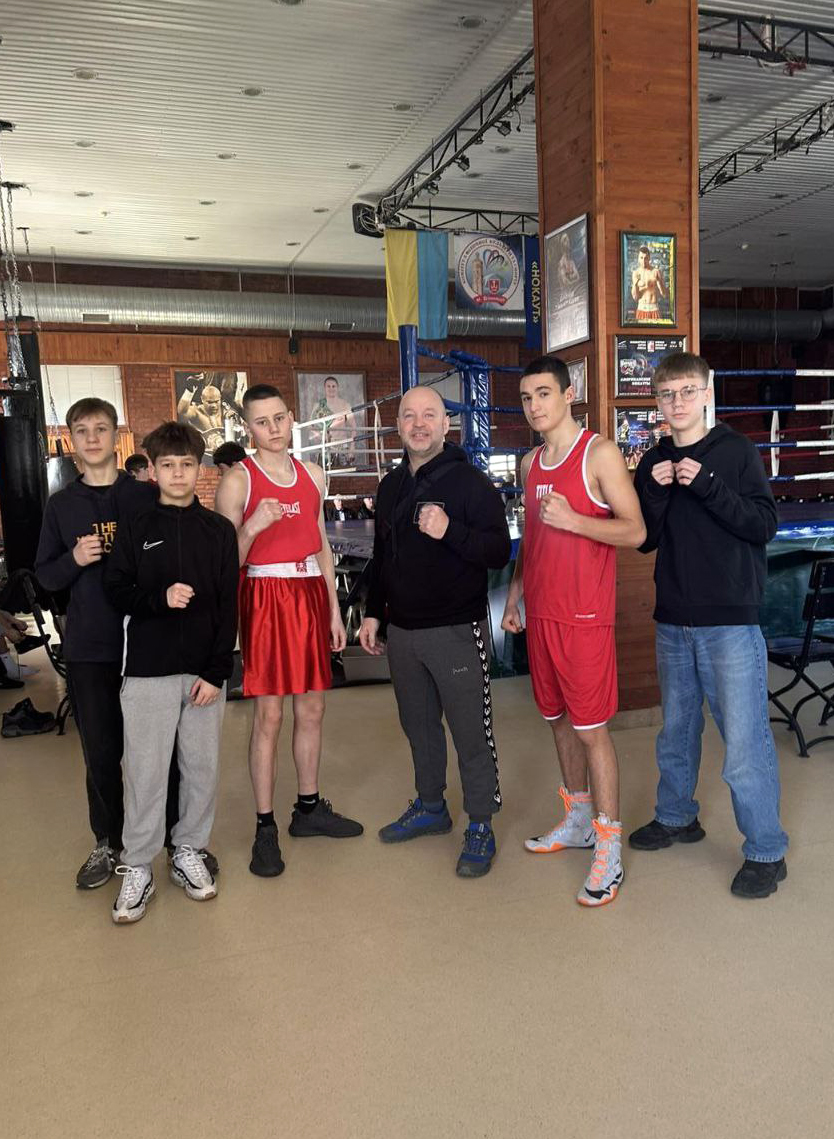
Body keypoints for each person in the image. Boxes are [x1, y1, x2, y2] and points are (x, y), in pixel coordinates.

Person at [628, 351, 789, 899]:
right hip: (673, 618)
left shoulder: (735, 451)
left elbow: (763, 525)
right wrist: (654, 489)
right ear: (657, 401)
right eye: (667, 393)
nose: (677, 402)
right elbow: (646, 539)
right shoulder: (652, 459)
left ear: (705, 393)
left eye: (686, 391)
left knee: (743, 741)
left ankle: (766, 850)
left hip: (729, 622)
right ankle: (677, 816)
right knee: (676, 730)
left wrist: (708, 486)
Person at [501, 357, 646, 907]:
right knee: (558, 720)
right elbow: (532, 541)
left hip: (584, 617)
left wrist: (577, 521)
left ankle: (609, 848)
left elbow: (635, 531)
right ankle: (579, 819)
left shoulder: (598, 453)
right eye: (526, 397)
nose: (534, 405)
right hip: (541, 614)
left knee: (592, 731)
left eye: (543, 393)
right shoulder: (530, 463)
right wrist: (514, 596)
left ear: (568, 394)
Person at [359, 386, 511, 878]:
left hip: (455, 629)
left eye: (430, 415)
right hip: (403, 631)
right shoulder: (390, 485)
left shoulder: (471, 483)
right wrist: (373, 613)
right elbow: (383, 556)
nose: (419, 424)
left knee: (470, 732)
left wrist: (450, 531)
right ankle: (431, 806)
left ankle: (481, 822)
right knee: (419, 726)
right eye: (410, 416)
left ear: (446, 425)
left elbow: (498, 551)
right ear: (398, 425)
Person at [215, 384, 362, 878]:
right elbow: (223, 562)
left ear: (291, 417)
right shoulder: (238, 480)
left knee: (313, 708)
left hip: (310, 593)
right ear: (248, 428)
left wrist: (334, 610)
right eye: (262, 422)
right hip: (265, 596)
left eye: (279, 418)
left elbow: (320, 543)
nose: (273, 428)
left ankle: (308, 808)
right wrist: (252, 526)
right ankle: (264, 826)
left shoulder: (313, 474)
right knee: (270, 716)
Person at [103, 422, 238, 923]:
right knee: (145, 772)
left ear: (199, 468)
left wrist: (217, 671)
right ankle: (138, 864)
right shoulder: (136, 525)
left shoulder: (219, 531)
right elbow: (116, 588)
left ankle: (188, 850)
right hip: (147, 671)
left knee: (201, 768)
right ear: (153, 471)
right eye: (167, 465)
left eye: (186, 465)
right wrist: (159, 599)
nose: (178, 474)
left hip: (203, 674)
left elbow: (228, 605)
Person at [34, 398, 158, 889]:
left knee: (158, 752)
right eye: (82, 430)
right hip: (89, 647)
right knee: (102, 754)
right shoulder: (61, 505)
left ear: (115, 435)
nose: (91, 438)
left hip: (147, 642)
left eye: (101, 428)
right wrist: (75, 559)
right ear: (70, 439)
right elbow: (45, 577)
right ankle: (108, 841)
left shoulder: (145, 496)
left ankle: (174, 841)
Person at [309, 376, 357, 469]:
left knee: (342, 474)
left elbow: (353, 427)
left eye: (333, 386)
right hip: (325, 446)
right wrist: (320, 435)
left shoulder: (345, 405)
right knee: (324, 474)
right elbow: (311, 426)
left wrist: (352, 447)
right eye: (328, 386)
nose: (331, 388)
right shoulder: (319, 405)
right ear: (325, 388)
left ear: (337, 388)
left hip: (342, 447)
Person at [630, 245, 667, 323]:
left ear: (649, 258)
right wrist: (635, 285)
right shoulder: (636, 273)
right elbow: (635, 298)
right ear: (638, 258)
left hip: (654, 309)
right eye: (641, 258)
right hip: (641, 309)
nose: (643, 261)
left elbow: (664, 294)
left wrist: (659, 282)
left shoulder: (656, 271)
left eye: (646, 258)